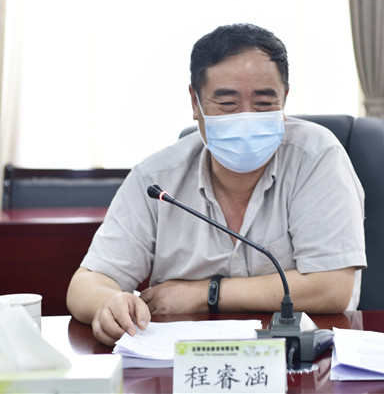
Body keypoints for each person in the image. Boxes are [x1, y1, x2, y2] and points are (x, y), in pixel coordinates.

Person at [66, 23, 366, 346]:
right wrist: (109, 304)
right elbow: (87, 283)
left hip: (298, 357)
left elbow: (332, 288)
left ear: (284, 98)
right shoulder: (157, 177)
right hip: (185, 362)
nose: (246, 117)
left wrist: (205, 294)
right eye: (228, 104)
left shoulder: (317, 157)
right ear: (195, 103)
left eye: (264, 103)